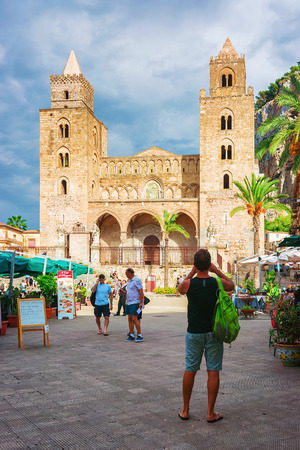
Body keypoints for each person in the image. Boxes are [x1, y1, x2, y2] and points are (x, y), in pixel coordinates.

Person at [177, 248, 234, 422]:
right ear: (209, 264)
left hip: (194, 332)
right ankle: (210, 413)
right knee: (213, 370)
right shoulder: (217, 283)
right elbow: (231, 284)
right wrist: (215, 270)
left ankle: (185, 410)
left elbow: (181, 287)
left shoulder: (189, 284)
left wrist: (193, 271)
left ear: (195, 264)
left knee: (190, 369)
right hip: (213, 333)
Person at [125, 268, 144, 342]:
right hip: (129, 302)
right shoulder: (129, 281)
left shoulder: (136, 280)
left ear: (130, 273)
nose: (126, 275)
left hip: (135, 302)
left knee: (135, 318)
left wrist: (141, 302)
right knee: (129, 318)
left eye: (126, 273)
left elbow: (141, 291)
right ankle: (132, 334)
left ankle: (139, 335)